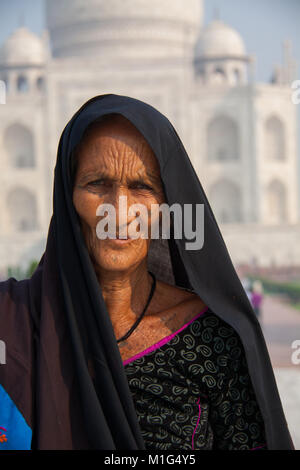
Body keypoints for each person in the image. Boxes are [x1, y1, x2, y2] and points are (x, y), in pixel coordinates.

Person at [0, 94, 294, 450]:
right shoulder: (11, 321)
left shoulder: (211, 340)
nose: (119, 212)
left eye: (142, 187)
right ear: (67, 195)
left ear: (167, 205)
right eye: (97, 184)